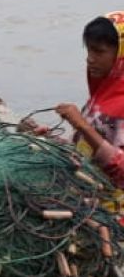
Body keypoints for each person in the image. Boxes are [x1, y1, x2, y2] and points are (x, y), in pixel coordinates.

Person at [53, 12, 124, 192]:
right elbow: (83, 150)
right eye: (89, 50)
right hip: (86, 193)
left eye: (99, 51)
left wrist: (82, 125)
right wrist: (46, 139)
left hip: (113, 211)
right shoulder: (101, 96)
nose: (90, 58)